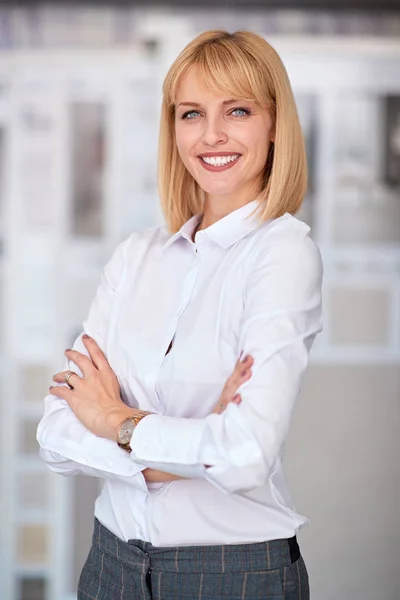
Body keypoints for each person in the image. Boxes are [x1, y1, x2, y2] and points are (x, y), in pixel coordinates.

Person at [37, 29, 323, 600]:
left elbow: (243, 457)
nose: (212, 134)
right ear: (173, 128)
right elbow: (54, 432)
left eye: (237, 110)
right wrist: (196, 445)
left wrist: (114, 421)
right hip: (110, 566)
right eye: (192, 114)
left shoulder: (283, 253)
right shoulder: (135, 256)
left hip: (233, 574)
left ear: (274, 124)